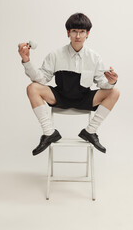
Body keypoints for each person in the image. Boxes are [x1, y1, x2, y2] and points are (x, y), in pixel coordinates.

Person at [18, 12, 120, 156]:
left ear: (87, 34)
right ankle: (49, 133)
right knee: (32, 88)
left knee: (115, 91)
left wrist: (111, 82)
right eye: (74, 31)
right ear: (68, 33)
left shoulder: (94, 57)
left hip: (84, 99)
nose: (78, 36)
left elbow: (102, 83)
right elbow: (41, 79)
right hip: (60, 97)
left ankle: (90, 132)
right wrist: (26, 60)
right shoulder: (55, 55)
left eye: (82, 32)